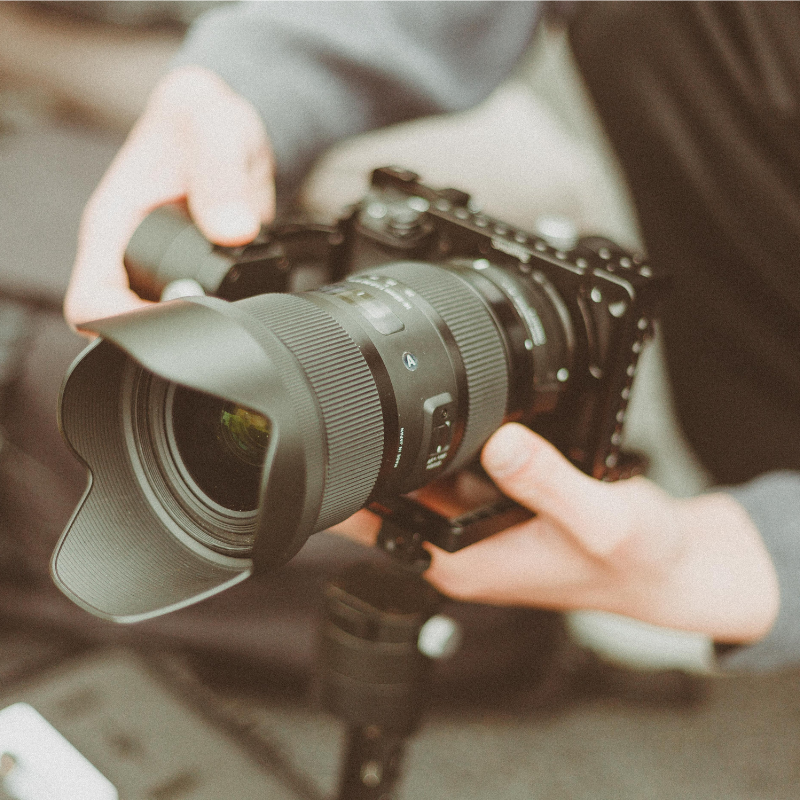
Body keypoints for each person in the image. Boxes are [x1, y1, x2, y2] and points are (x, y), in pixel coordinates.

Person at [64, 1, 800, 672]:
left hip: (765, 430)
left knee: (652, 603)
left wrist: (757, 555)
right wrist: (252, 86)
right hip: (695, 225)